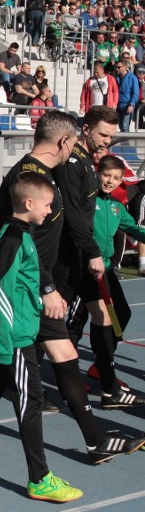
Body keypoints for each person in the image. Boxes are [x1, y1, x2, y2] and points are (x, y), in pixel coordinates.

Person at [0, 110, 144, 464]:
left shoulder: (53, 170)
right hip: (34, 284)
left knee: (62, 356)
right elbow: (20, 237)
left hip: (45, 280)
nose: (105, 143)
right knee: (1, 373)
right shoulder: (37, 174)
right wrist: (49, 285)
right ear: (66, 140)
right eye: (98, 136)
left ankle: (95, 436)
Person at [0, 171, 84, 504]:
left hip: (14, 334)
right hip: (15, 340)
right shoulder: (13, 239)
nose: (50, 211)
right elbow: (2, 294)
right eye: (47, 205)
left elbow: (19, 287)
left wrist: (37, 302)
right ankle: (39, 479)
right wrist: (7, 346)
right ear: (28, 203)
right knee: (30, 404)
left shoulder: (17, 234)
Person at [81, 155, 145, 408]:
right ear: (98, 174)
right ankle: (65, 370)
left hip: (105, 269)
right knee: (76, 324)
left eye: (116, 178)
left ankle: (102, 362)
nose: (110, 181)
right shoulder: (87, 202)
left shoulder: (116, 207)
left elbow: (135, 229)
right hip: (84, 270)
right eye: (106, 175)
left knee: (122, 314)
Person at [116, 60, 138, 131]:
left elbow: (135, 92)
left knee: (125, 126)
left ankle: (126, 142)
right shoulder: (116, 78)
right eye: (116, 67)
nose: (117, 69)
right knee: (121, 126)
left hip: (127, 104)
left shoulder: (132, 77)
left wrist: (131, 104)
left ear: (125, 67)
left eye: (119, 67)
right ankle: (124, 142)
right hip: (118, 105)